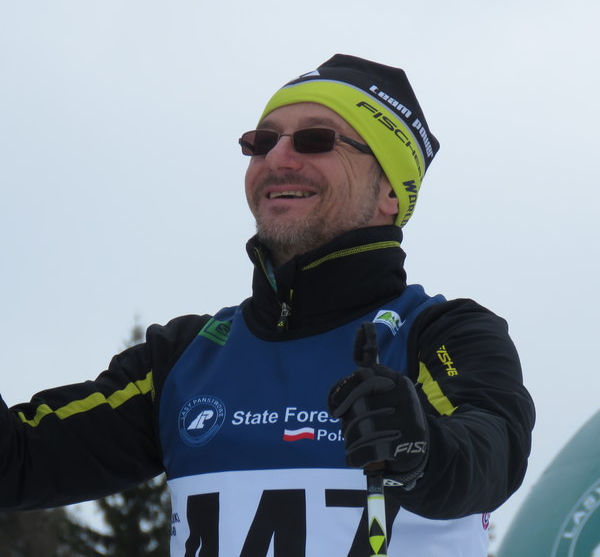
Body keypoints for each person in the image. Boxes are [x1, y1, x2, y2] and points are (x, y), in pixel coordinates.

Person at [0, 54, 535, 556]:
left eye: (315, 140)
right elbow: (18, 461)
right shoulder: (185, 358)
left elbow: (494, 451)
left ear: (390, 193)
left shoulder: (441, 334)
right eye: (261, 142)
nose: (278, 158)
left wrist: (424, 448)